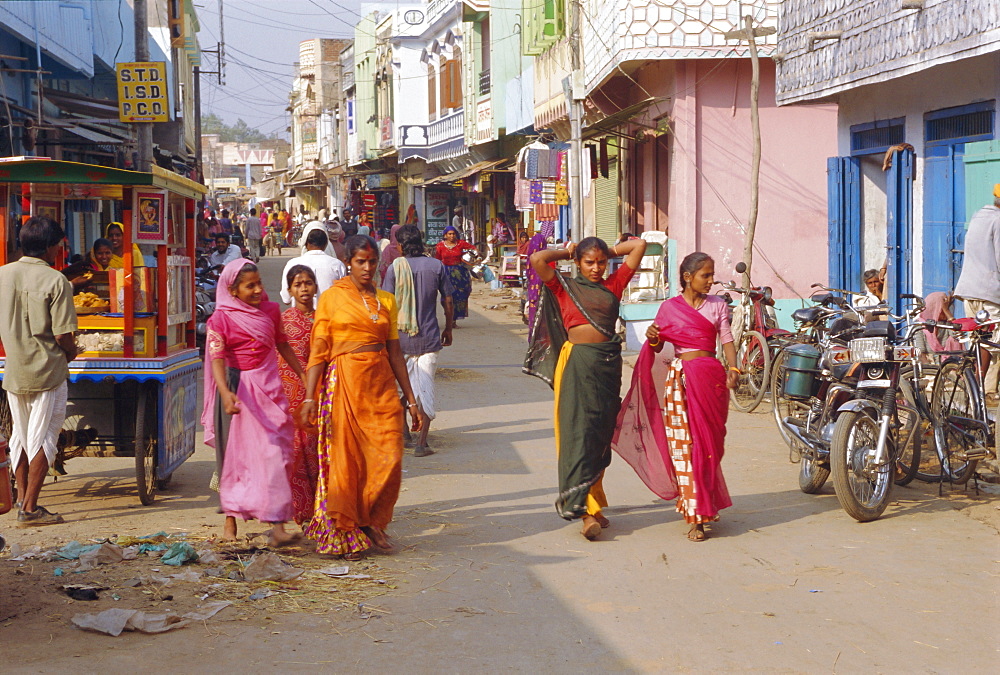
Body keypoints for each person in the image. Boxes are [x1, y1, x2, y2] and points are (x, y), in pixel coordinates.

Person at [300, 235, 423, 559]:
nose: (367, 268)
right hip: (345, 385)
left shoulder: (386, 301)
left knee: (390, 457)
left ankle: (372, 520)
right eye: (360, 262)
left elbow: (395, 351)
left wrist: (411, 399)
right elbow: (319, 351)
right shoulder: (332, 299)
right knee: (348, 461)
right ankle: (348, 530)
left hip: (380, 385)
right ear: (349, 264)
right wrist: (309, 397)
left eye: (371, 262)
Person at [525, 236, 647, 540]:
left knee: (601, 434)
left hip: (607, 367)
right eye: (589, 262)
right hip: (578, 367)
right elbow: (538, 259)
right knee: (579, 434)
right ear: (577, 263)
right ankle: (585, 512)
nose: (596, 268)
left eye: (601, 262)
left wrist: (608, 249)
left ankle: (595, 504)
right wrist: (568, 250)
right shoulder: (564, 286)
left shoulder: (613, 285)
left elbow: (640, 245)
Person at [615, 252, 738, 542]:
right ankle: (695, 516)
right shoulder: (669, 308)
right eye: (705, 275)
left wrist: (733, 368)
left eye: (711, 275)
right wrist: (654, 336)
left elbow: (727, 339)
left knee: (711, 445)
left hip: (711, 379)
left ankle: (706, 503)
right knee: (688, 445)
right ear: (687, 277)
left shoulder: (718, 305)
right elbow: (657, 348)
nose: (710, 281)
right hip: (682, 381)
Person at [200, 258, 306, 545]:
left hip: (269, 388)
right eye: (250, 286)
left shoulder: (271, 311)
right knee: (234, 457)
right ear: (233, 291)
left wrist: (302, 373)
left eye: (259, 283)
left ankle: (278, 526)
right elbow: (217, 358)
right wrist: (225, 393)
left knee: (277, 454)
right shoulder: (220, 319)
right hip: (236, 390)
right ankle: (230, 520)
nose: (259, 289)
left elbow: (281, 342)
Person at [0, 216, 78, 526]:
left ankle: (22, 499)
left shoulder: (3, 275)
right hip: (48, 371)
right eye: (58, 246)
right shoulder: (55, 280)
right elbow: (63, 336)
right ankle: (30, 508)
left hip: (15, 369)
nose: (59, 251)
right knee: (45, 438)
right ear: (48, 248)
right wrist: (72, 353)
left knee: (20, 436)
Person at [382, 225, 455, 457]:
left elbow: (387, 305)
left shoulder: (395, 268)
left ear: (400, 246)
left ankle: (404, 434)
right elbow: (449, 300)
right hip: (429, 337)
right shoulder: (436, 266)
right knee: (424, 387)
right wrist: (449, 329)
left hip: (400, 340)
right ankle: (422, 443)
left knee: (402, 389)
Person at [279, 264, 320, 526]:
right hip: (292, 397)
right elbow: (281, 361)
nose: (304, 288)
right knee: (295, 454)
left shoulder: (325, 319)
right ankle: (297, 513)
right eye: (298, 284)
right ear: (290, 289)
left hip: (322, 395)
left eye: (308, 283)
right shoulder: (284, 321)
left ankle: (320, 511)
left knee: (318, 453)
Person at [954, 184, 1000, 400]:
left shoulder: (979, 216)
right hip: (989, 292)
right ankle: (986, 391)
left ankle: (973, 389)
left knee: (978, 340)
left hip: (969, 289)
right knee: (993, 345)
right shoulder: (998, 220)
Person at [279, 228, 345, 307]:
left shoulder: (292, 263)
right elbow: (343, 297)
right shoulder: (337, 265)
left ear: (306, 244)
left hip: (300, 316)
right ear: (326, 245)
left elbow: (286, 299)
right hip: (330, 315)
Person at [434, 225, 478, 321]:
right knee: (447, 295)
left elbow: (474, 249)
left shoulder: (461, 244)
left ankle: (455, 317)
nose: (452, 236)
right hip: (446, 273)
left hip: (460, 273)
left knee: (462, 294)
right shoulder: (440, 246)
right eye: (449, 234)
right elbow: (437, 260)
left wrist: (474, 256)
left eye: (453, 234)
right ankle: (449, 316)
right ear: (445, 235)